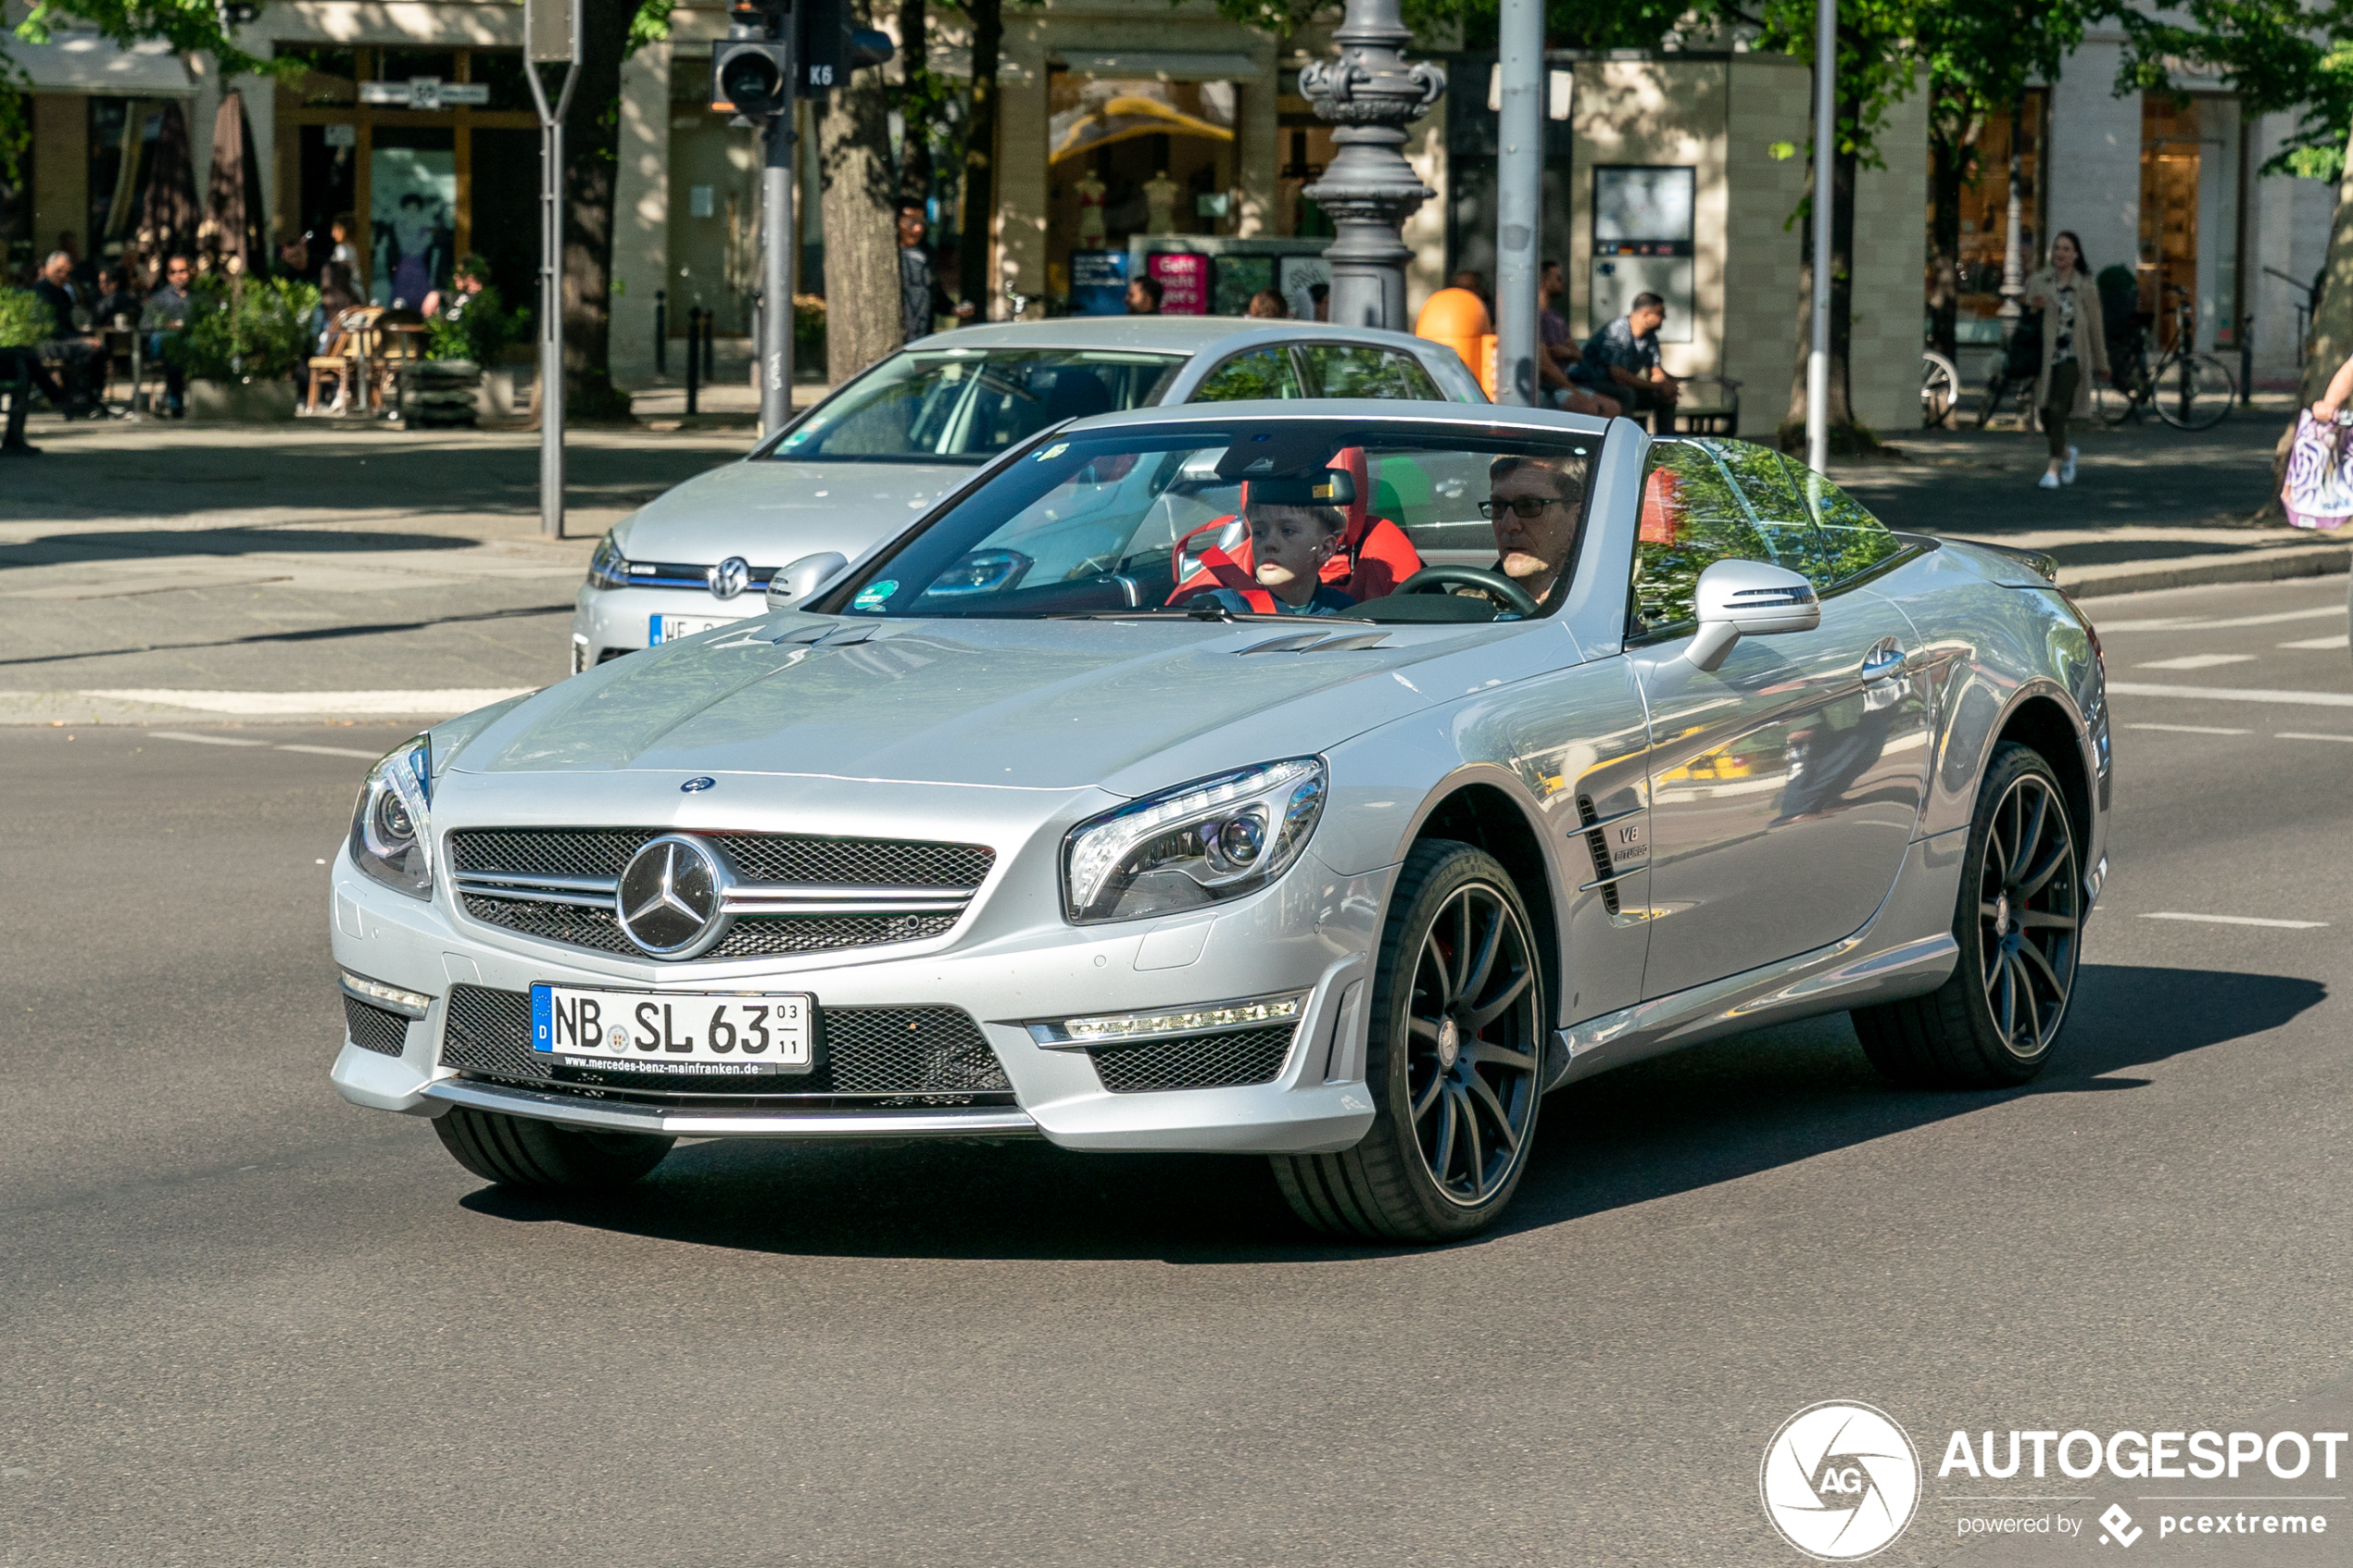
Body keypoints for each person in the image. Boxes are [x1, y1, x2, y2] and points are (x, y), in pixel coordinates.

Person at [2022, 230, 2108, 490]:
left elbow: (2095, 327)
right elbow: (2027, 316)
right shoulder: (2039, 281)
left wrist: (2102, 363)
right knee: (2045, 413)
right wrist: (2034, 305)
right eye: (2057, 248)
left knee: (2059, 410)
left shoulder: (2086, 287)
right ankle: (2068, 454)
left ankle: (2052, 470)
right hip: (2045, 359)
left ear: (2076, 255)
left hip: (2072, 358)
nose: (2060, 253)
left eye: (2067, 249)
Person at [1190, 489, 1359, 617]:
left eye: (1287, 531)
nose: (1269, 544)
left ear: (1324, 549)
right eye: (1259, 532)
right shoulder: (1229, 608)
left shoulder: (1345, 612)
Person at [1485, 453, 1586, 605]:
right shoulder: (1467, 603)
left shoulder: (1602, 605)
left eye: (1529, 506)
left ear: (1576, 517)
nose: (1508, 525)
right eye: (1498, 506)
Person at [1573, 292, 1679, 432]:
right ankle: (1623, 439)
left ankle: (1666, 444)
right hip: (1590, 382)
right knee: (1626, 394)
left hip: (1622, 385)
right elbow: (1618, 374)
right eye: (1660, 313)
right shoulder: (1618, 331)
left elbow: (1655, 369)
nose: (1664, 318)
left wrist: (1664, 387)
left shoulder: (1650, 336)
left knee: (1664, 400)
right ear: (1645, 314)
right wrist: (1654, 386)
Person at [1537, 260, 1619, 419]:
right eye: (1559, 278)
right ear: (1544, 282)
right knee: (1590, 408)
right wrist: (1573, 389)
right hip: (1547, 387)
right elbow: (1545, 366)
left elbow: (1579, 354)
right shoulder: (1534, 316)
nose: (1563, 282)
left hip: (1565, 385)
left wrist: (1565, 352)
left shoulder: (1557, 318)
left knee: (1612, 407)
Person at [31, 250, 105, 418]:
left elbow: (67, 325)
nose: (64, 276)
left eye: (67, 272)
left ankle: (92, 396)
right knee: (86, 349)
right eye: (59, 271)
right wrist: (80, 341)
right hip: (46, 343)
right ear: (48, 269)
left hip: (63, 340)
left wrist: (82, 338)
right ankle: (77, 398)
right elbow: (50, 328)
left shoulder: (63, 294)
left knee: (99, 348)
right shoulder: (40, 293)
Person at [140, 253, 197, 418]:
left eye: (182, 271)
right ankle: (175, 403)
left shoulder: (199, 297)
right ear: (168, 275)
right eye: (173, 272)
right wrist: (166, 324)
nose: (178, 276)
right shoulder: (159, 299)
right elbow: (144, 326)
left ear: (191, 272)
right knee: (171, 344)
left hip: (190, 345)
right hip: (164, 347)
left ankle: (177, 403)